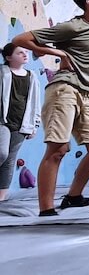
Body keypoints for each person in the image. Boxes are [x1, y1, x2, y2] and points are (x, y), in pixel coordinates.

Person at [12, 0, 89, 216]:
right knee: (58, 149)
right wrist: (57, 51)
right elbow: (20, 40)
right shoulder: (71, 27)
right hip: (64, 89)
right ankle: (46, 209)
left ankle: (73, 197)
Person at [0, 43, 42, 201]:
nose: (25, 54)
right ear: (9, 57)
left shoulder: (32, 76)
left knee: (10, 160)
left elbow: (35, 102)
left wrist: (34, 125)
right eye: (20, 52)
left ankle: (1, 198)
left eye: (26, 52)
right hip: (2, 121)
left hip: (21, 124)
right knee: (1, 153)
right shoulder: (2, 72)